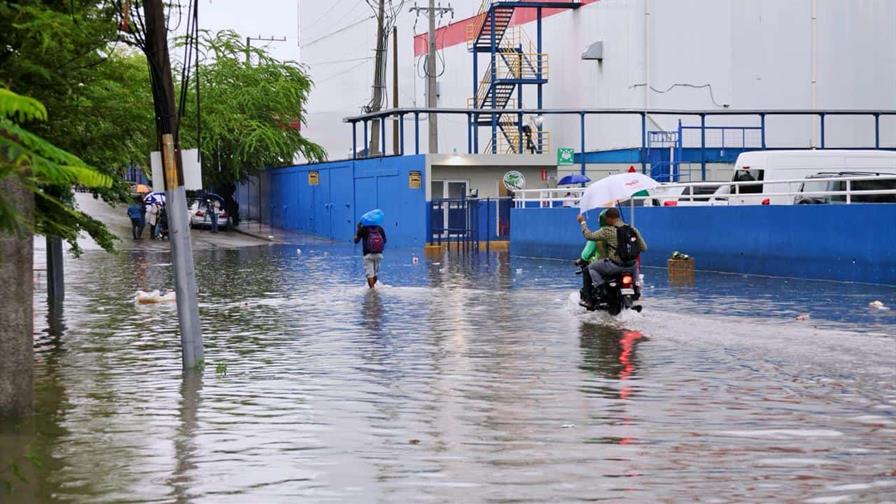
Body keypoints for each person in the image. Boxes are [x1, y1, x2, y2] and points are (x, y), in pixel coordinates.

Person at [577, 207, 647, 285]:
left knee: (591, 267)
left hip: (615, 266)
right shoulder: (632, 229)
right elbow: (644, 248)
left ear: (610, 218)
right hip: (632, 266)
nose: (606, 221)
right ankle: (636, 288)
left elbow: (589, 236)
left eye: (607, 219)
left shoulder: (607, 230)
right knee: (636, 283)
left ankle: (600, 286)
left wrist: (582, 222)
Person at [354, 221, 387, 288]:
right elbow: (385, 241)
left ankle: (372, 291)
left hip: (368, 254)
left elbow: (356, 241)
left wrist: (358, 229)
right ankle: (374, 289)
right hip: (379, 254)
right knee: (375, 274)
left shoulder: (364, 228)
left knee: (369, 275)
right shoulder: (380, 228)